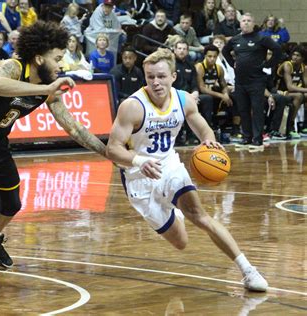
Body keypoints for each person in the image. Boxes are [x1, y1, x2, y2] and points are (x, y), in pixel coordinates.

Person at [0, 21, 107, 288]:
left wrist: (107, 151)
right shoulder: (11, 67)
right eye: (57, 59)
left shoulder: (48, 86)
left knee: (13, 205)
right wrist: (45, 90)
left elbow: (74, 127)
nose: (60, 66)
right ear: (39, 57)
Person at [105, 48, 268, 293]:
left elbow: (204, 130)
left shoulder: (183, 100)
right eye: (150, 77)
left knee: (199, 215)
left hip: (169, 165)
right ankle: (173, 208)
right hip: (139, 176)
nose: (155, 82)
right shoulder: (132, 106)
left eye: (161, 76)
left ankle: (247, 270)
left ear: (173, 76)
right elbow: (113, 150)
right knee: (180, 242)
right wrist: (139, 161)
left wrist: (209, 143)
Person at [223, 13, 282, 150]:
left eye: (249, 20)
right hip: (240, 82)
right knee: (243, 110)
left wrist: (268, 64)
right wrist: (233, 64)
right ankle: (246, 137)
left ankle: (257, 139)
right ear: (240, 23)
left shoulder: (261, 38)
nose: (246, 23)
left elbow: (277, 50)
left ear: (253, 23)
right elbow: (226, 51)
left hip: (256, 81)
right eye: (243, 20)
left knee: (257, 110)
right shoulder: (235, 39)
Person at [195, 44, 233, 136]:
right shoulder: (199, 67)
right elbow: (202, 89)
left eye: (214, 57)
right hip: (200, 95)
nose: (212, 59)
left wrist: (226, 95)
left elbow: (224, 85)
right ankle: (207, 129)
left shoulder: (219, 68)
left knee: (232, 98)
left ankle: (229, 129)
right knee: (208, 99)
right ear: (205, 56)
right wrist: (221, 95)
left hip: (213, 94)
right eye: (209, 56)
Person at [276, 46, 307, 138]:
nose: (295, 57)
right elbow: (289, 87)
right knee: (299, 96)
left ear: (303, 58)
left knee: (303, 95)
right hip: (281, 91)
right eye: (293, 55)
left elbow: (306, 83)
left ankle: (303, 124)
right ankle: (290, 125)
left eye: (298, 55)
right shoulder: (287, 65)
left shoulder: (303, 67)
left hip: (295, 91)